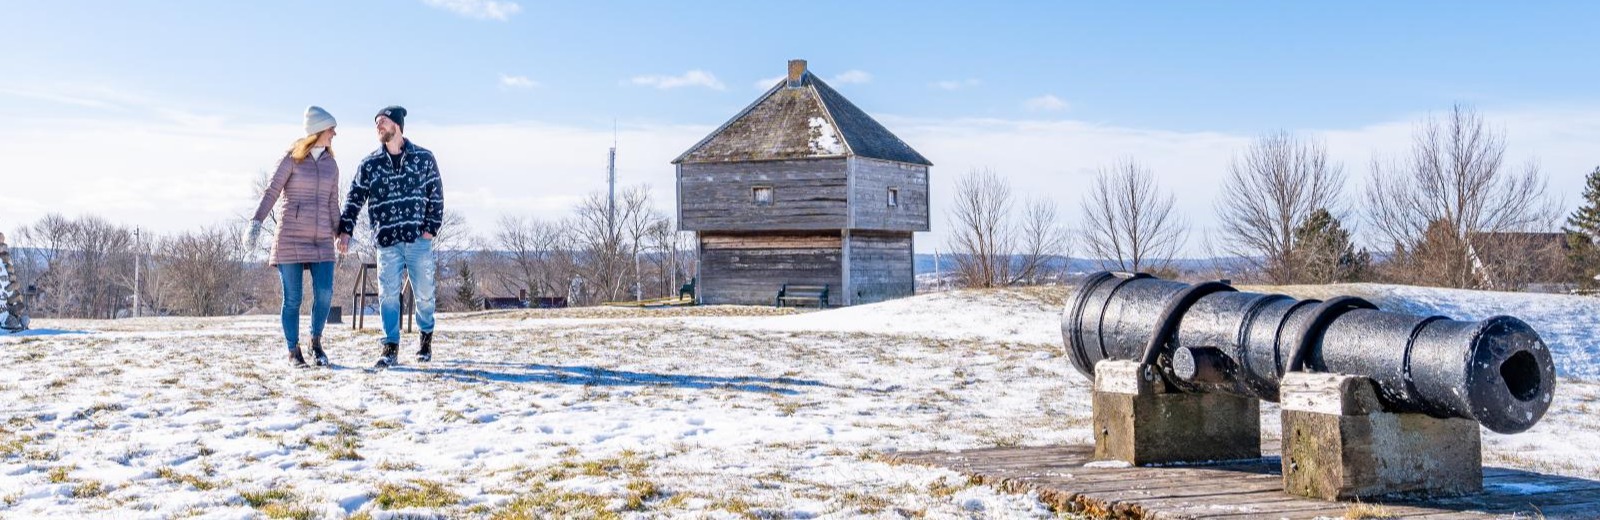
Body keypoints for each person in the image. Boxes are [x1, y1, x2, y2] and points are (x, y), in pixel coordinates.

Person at [337, 106, 443, 368]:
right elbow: (354, 199)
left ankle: (425, 338)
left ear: (397, 125)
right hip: (386, 241)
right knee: (387, 294)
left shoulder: (424, 158)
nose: (378, 127)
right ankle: (390, 346)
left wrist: (431, 228)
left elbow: (436, 195)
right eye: (376, 124)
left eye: (382, 122)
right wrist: (345, 230)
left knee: (425, 293)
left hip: (418, 239)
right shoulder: (369, 164)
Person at [247, 106, 341, 368]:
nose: (334, 133)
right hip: (290, 237)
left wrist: (342, 232)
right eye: (330, 128)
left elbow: (333, 204)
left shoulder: (331, 164)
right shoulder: (292, 159)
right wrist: (256, 222)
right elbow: (272, 191)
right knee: (293, 299)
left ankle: (316, 342)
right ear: (318, 131)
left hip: (321, 239)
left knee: (324, 293)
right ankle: (293, 350)